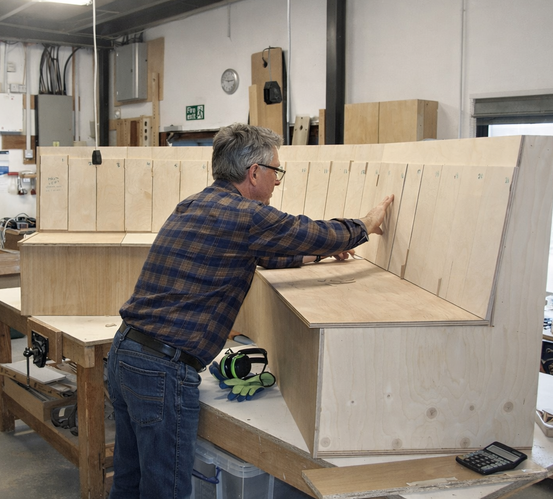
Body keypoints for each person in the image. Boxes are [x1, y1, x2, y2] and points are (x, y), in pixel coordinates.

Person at [106, 123, 394, 499]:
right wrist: (365, 225)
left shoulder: (196, 204)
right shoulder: (248, 216)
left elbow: (268, 252)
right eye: (276, 171)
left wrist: (319, 254)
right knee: (166, 492)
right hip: (161, 371)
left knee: (128, 483)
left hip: (126, 353)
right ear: (254, 172)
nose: (277, 181)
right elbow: (308, 231)